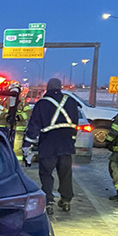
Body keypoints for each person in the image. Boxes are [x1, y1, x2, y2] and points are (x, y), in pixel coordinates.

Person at [25, 78, 80, 213]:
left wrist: (27, 145)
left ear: (48, 88)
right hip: (66, 145)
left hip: (48, 145)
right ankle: (66, 200)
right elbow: (75, 125)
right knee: (66, 174)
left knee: (46, 174)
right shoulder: (71, 102)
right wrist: (72, 140)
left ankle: (48, 201)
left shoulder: (42, 104)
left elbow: (34, 125)